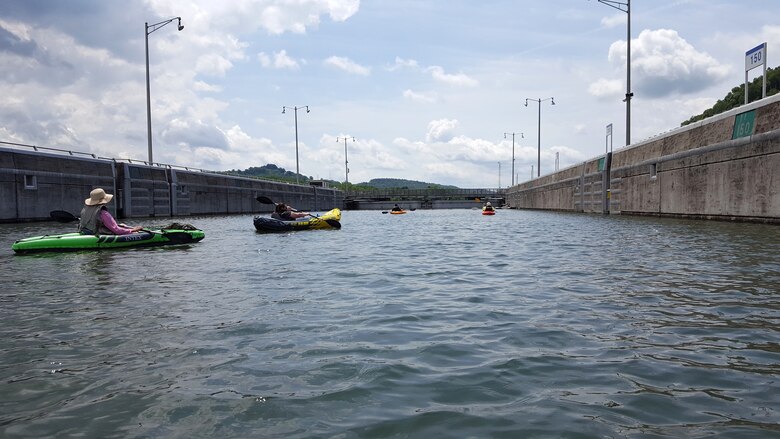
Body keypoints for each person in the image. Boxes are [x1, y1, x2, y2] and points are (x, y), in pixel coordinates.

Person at [78, 188, 143, 235]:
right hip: (95, 233)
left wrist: (120, 226)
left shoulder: (85, 209)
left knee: (122, 225)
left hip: (85, 231)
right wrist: (132, 230)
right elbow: (116, 230)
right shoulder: (103, 213)